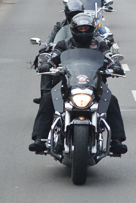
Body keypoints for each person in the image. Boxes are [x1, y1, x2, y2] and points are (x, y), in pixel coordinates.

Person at [30, 12, 127, 155]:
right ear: (74, 29)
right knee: (47, 99)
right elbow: (54, 56)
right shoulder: (64, 44)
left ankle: (116, 141)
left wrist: (115, 65)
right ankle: (41, 138)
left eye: (86, 28)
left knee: (111, 100)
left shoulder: (99, 44)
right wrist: (46, 63)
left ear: (91, 29)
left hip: (94, 83)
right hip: (69, 82)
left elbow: (109, 56)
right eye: (80, 28)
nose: (83, 31)